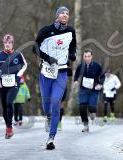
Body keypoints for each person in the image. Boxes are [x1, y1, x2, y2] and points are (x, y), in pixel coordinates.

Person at [32, 6, 76, 150]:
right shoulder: (45, 31)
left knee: (56, 101)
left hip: (61, 72)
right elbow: (34, 48)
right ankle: (48, 117)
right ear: (57, 15)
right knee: (46, 105)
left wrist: (72, 55)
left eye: (67, 13)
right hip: (46, 71)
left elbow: (73, 47)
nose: (65, 15)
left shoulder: (71, 31)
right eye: (62, 12)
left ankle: (51, 138)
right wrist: (48, 58)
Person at [0, 34, 27, 139]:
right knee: (4, 108)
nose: (7, 44)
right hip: (2, 83)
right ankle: (8, 127)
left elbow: (25, 65)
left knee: (9, 102)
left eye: (9, 43)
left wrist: (19, 74)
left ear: (12, 44)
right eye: (6, 43)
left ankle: (10, 127)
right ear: (3, 44)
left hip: (14, 83)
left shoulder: (18, 54)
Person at [74, 49, 102, 132]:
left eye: (88, 56)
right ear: (83, 57)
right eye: (85, 56)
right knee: (82, 107)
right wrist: (75, 81)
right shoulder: (81, 65)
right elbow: (76, 74)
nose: (87, 58)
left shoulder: (97, 66)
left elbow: (103, 76)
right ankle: (85, 125)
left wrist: (100, 84)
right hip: (83, 90)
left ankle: (93, 113)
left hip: (94, 90)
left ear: (91, 57)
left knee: (92, 108)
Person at [58, 63, 73, 131]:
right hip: (52, 85)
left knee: (61, 105)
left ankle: (59, 122)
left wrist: (66, 67)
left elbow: (70, 73)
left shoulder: (65, 61)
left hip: (63, 87)